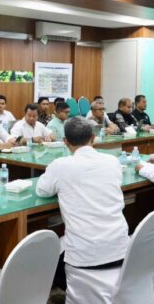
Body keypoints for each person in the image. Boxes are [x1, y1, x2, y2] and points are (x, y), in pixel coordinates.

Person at [36, 117, 129, 289]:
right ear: (93, 137)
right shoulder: (112, 161)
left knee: (47, 255)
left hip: (84, 257)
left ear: (65, 141)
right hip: (122, 251)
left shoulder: (60, 165)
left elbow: (42, 190)